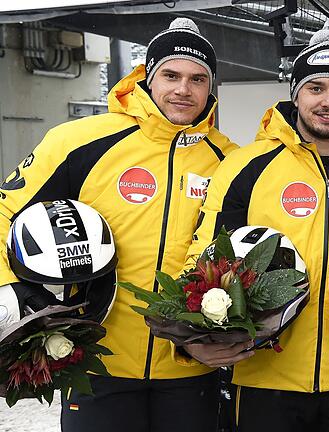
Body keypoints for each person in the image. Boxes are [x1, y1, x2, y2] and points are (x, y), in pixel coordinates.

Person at [0, 18, 238, 432]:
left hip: (191, 370)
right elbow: (6, 213)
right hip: (97, 366)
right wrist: (25, 297)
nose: (183, 89)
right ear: (147, 76)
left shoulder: (231, 161)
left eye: (198, 79)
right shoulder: (78, 142)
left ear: (211, 87)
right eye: (171, 75)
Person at [182, 29, 329, 432]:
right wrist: (197, 332)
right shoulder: (246, 166)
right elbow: (205, 257)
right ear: (296, 94)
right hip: (266, 378)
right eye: (316, 88)